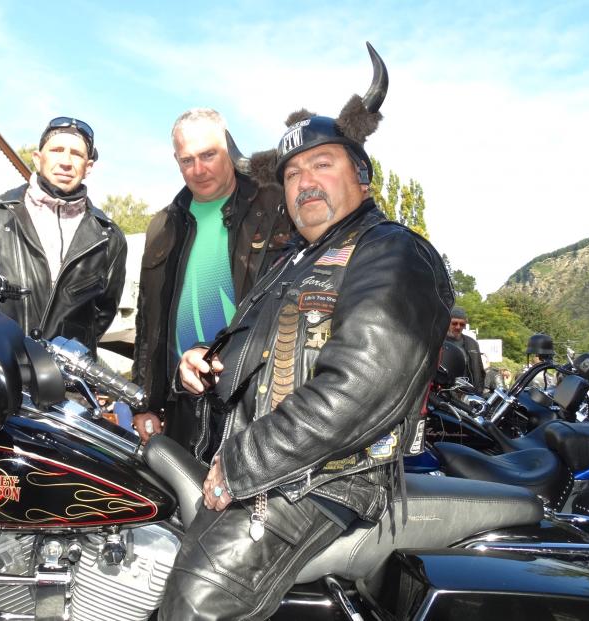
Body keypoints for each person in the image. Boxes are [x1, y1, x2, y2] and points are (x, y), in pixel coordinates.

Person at [159, 72, 454, 618]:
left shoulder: (389, 253)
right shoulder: (292, 262)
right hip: (268, 466)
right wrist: (202, 361)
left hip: (327, 477)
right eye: (293, 173)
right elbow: (263, 359)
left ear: (362, 177)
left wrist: (245, 459)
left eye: (323, 165)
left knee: (195, 600)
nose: (305, 182)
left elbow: (361, 385)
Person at [131, 108, 293, 453]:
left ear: (230, 149)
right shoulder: (164, 224)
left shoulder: (276, 204)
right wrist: (144, 402)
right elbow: (149, 321)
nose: (199, 169)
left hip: (252, 405)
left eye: (209, 155)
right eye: (187, 160)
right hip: (182, 404)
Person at [0, 117, 127, 354]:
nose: (66, 162)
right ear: (38, 159)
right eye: (57, 150)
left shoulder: (109, 237)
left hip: (64, 382)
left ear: (88, 167)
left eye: (76, 154)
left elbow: (103, 313)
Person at [445, 306, 485, 392]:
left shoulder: (472, 343)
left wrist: (479, 391)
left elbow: (480, 371)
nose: (458, 327)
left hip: (469, 394)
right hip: (446, 393)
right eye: (454, 323)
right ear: (447, 322)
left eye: (462, 324)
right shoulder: (439, 341)